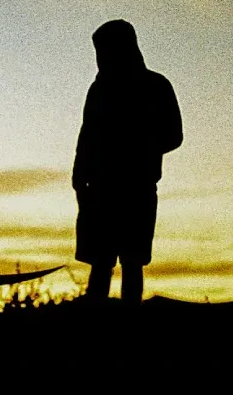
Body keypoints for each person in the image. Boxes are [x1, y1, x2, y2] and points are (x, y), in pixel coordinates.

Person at [73, 20, 183, 306]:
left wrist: (139, 149)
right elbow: (87, 133)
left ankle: (131, 320)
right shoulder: (98, 90)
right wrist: (79, 173)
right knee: (100, 261)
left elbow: (174, 135)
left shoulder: (156, 86)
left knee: (132, 261)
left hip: (138, 188)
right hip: (100, 189)